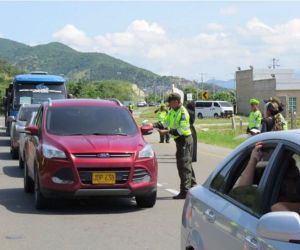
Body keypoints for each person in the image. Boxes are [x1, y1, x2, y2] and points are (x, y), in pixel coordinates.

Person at [237, 143, 300, 214]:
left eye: (292, 165)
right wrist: (252, 161)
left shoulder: (297, 181)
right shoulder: (267, 173)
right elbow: (242, 191)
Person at [160, 93, 197, 199]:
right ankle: (193, 186)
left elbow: (182, 130)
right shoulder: (172, 111)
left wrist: (167, 131)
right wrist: (154, 125)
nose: (169, 104)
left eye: (170, 102)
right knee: (185, 164)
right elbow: (165, 122)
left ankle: (185, 191)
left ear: (176, 102)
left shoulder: (183, 112)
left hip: (184, 140)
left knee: (184, 165)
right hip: (179, 141)